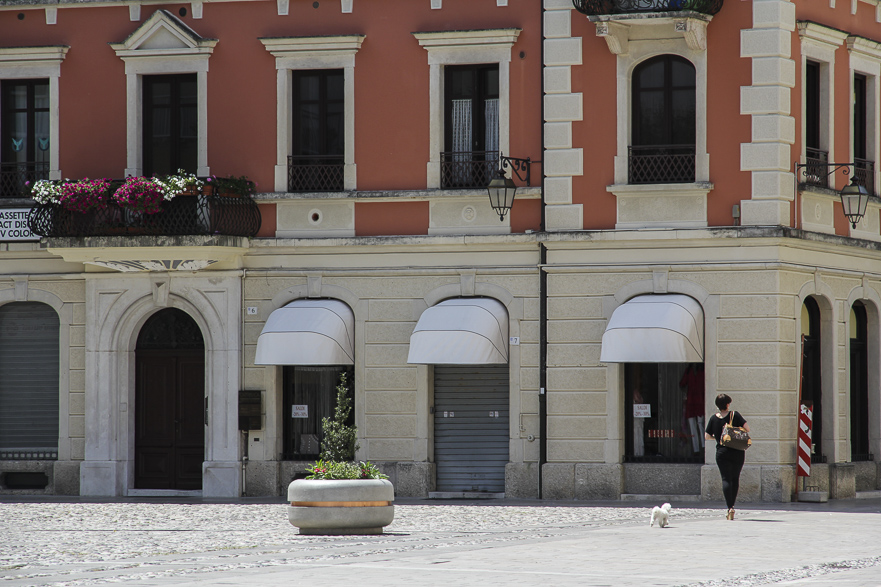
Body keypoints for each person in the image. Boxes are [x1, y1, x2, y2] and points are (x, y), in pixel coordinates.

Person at [705, 393, 749, 520]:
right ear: (727, 404)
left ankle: (729, 507)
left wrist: (719, 438)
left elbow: (707, 436)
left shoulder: (713, 418)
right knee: (735, 478)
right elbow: (747, 428)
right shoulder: (734, 415)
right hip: (737, 451)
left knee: (726, 479)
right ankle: (733, 506)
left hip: (722, 452)